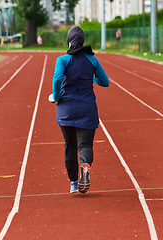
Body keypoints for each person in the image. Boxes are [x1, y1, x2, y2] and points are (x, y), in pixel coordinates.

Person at [51, 26, 109, 194]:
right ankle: (86, 164)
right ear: (82, 41)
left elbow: (58, 78)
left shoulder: (62, 60)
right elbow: (105, 82)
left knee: (70, 145)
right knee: (85, 145)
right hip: (87, 109)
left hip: (66, 109)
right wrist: (91, 76)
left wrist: (56, 96)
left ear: (68, 41)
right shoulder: (92, 60)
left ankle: (74, 183)